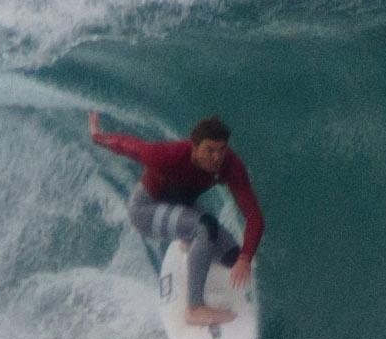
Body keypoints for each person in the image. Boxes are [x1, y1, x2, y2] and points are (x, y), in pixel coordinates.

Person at [90, 110, 264, 327]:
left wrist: (245, 259)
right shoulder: (168, 155)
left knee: (232, 257)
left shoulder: (230, 166)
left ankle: (190, 241)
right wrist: (98, 135)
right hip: (147, 210)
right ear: (194, 146)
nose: (216, 157)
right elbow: (129, 145)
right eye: (209, 150)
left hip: (183, 207)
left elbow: (254, 215)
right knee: (205, 226)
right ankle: (194, 309)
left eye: (221, 150)